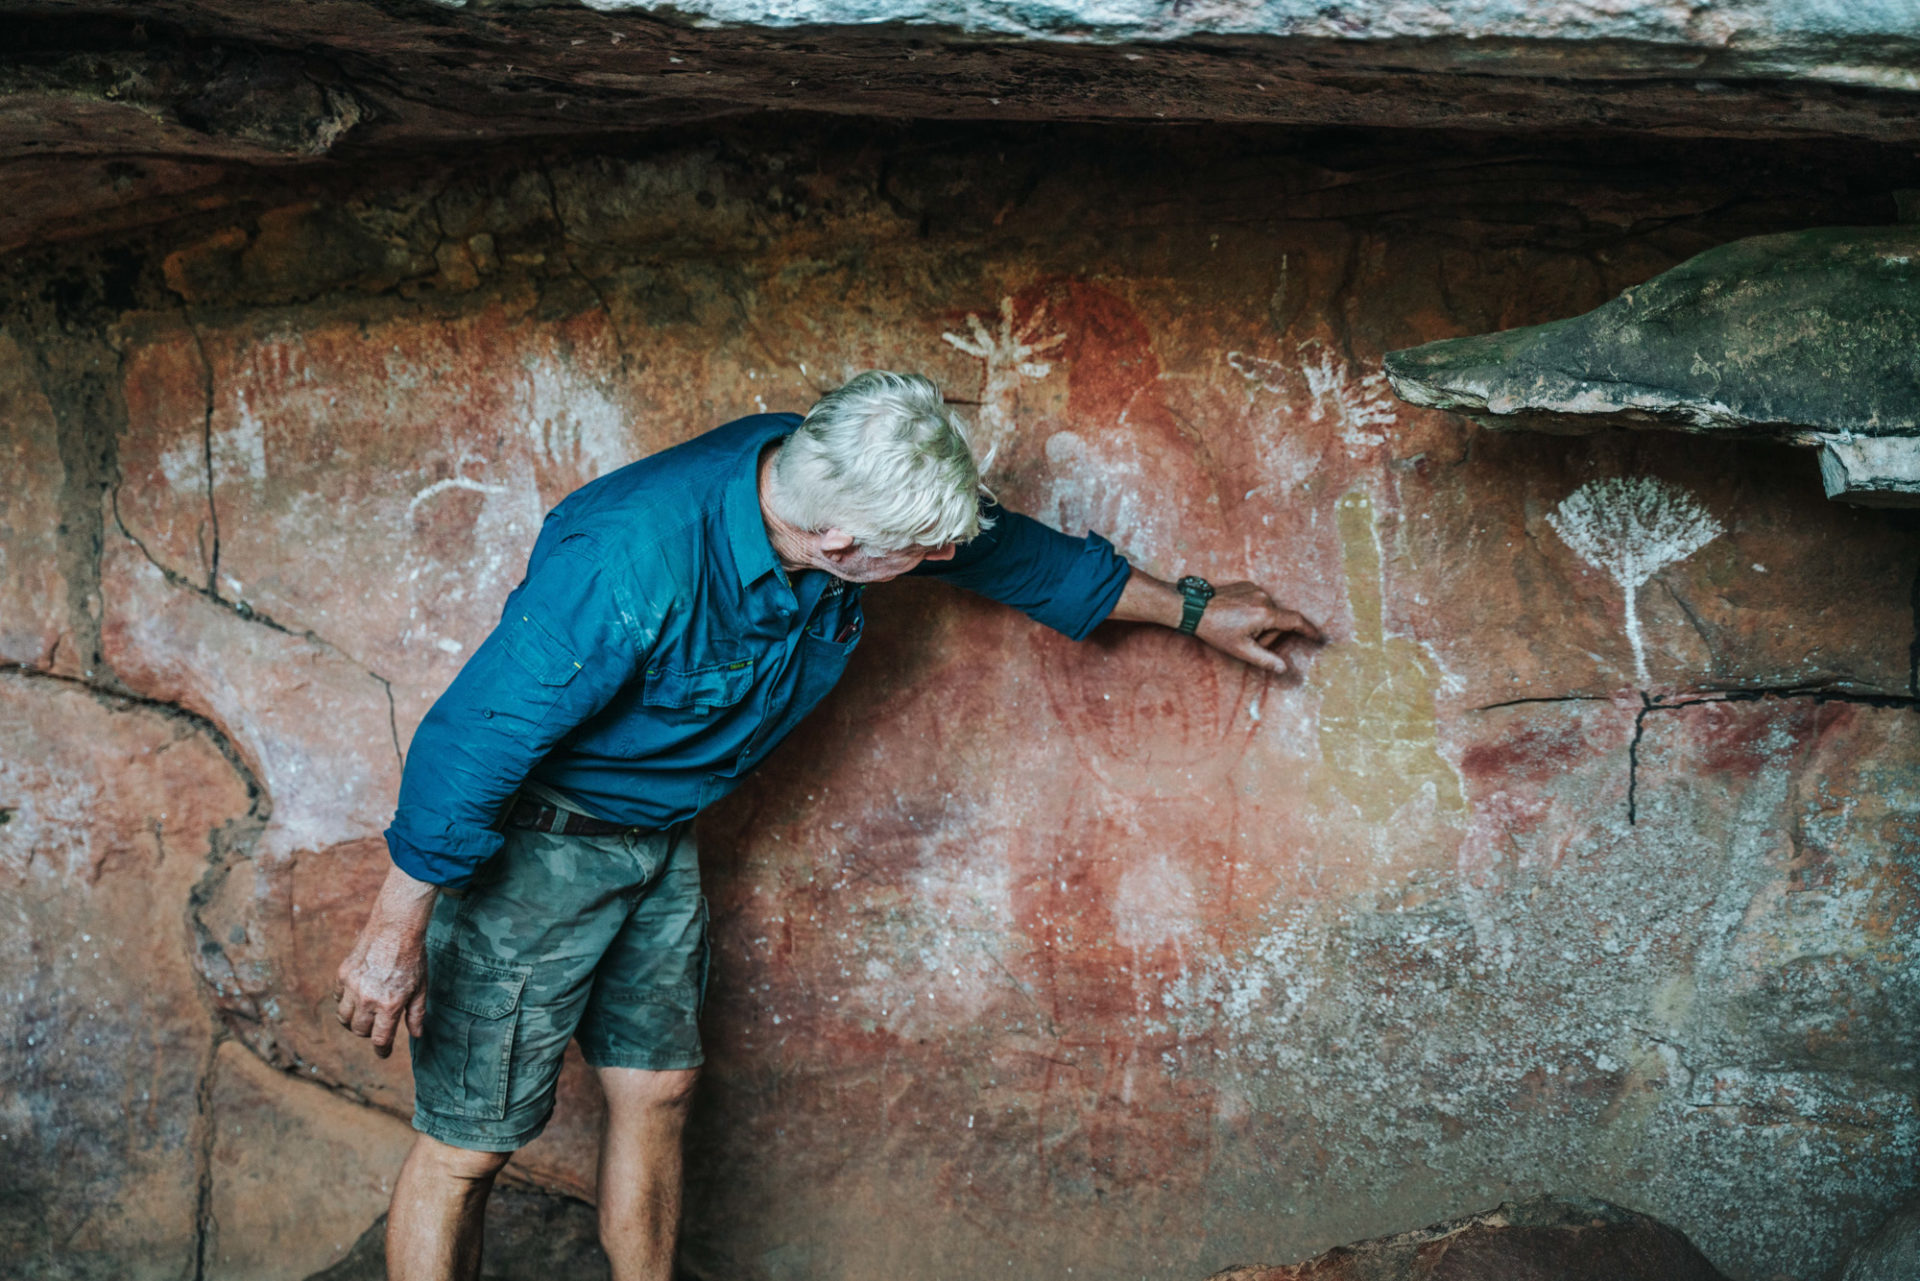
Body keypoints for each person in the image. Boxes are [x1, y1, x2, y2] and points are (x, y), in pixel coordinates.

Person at [334, 370, 1322, 1281]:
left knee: (660, 1092)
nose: (943, 558)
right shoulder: (629, 560)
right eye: (923, 553)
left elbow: (1004, 550)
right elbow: (470, 745)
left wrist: (1194, 610)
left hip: (657, 841)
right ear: (838, 547)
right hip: (534, 851)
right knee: (470, 1143)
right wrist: (392, 938)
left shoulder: (833, 474)